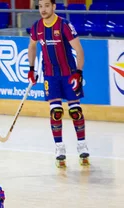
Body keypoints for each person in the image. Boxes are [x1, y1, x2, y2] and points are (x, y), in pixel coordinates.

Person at [28, 0, 89, 168]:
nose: (43, 9)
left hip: (69, 74)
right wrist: (31, 68)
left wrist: (79, 72)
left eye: (47, 5)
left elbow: (79, 49)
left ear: (54, 7)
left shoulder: (64, 25)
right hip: (50, 76)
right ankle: (59, 148)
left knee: (75, 111)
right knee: (56, 112)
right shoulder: (36, 27)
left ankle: (82, 144)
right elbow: (31, 46)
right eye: (40, 6)